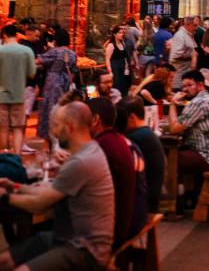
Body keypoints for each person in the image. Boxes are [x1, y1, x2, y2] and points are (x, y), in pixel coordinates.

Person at [0, 101, 114, 270]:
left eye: (57, 125)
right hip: (64, 237)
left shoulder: (81, 162)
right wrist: (15, 186)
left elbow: (39, 205)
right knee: (4, 261)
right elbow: (48, 191)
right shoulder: (90, 150)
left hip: (86, 250)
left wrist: (5, 197)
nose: (53, 131)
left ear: (70, 127)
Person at [88, 96, 138, 247]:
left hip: (107, 234)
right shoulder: (118, 139)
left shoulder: (101, 145)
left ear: (95, 119)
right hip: (122, 222)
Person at [168, 70, 209, 182]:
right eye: (183, 86)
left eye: (189, 85)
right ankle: (186, 192)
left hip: (208, 157)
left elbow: (174, 129)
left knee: (167, 158)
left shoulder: (199, 102)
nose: (185, 89)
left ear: (200, 85)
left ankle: (172, 197)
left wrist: (172, 104)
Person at [121, 96, 166, 212]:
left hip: (144, 204)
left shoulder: (136, 137)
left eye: (120, 120)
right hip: (151, 200)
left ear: (131, 118)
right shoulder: (146, 133)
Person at [0, 23, 36, 155]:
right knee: (18, 128)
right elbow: (32, 73)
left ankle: (4, 156)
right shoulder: (26, 51)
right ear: (16, 35)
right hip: (19, 94)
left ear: (4, 35)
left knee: (3, 128)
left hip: (1, 95)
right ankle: (16, 157)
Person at [36, 28, 78, 142]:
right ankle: (62, 137)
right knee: (63, 110)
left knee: (50, 110)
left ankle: (50, 139)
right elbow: (73, 72)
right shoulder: (73, 54)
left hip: (53, 82)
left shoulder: (55, 51)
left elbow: (38, 60)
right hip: (66, 83)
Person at [169, 17, 198, 88]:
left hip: (185, 75)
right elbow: (176, 55)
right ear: (188, 24)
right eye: (194, 25)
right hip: (179, 77)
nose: (196, 28)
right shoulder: (180, 35)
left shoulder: (188, 35)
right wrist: (192, 56)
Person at [104, 24, 132, 98]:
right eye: (119, 33)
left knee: (123, 86)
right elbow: (107, 59)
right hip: (114, 67)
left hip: (122, 67)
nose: (121, 34)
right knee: (116, 85)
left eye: (122, 33)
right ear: (114, 34)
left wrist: (126, 67)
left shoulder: (123, 43)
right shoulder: (111, 45)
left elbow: (125, 57)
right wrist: (110, 72)